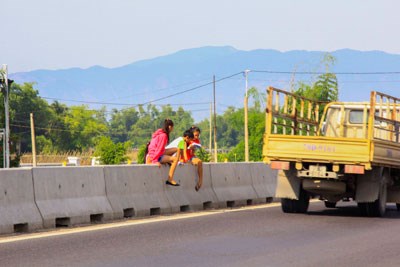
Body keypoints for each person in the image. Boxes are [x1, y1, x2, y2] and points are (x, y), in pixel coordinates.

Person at [146, 119, 180, 186]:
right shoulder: (163, 136)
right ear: (170, 127)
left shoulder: (160, 133)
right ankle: (170, 179)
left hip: (157, 153)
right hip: (155, 155)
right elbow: (159, 149)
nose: (172, 129)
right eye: (172, 127)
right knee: (175, 159)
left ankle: (168, 161)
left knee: (177, 149)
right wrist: (155, 160)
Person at [188, 126, 203, 191]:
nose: (196, 137)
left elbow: (192, 153)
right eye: (195, 135)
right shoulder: (187, 139)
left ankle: (200, 181)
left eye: (198, 135)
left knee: (199, 162)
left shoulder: (197, 140)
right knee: (198, 162)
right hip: (186, 157)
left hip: (191, 156)